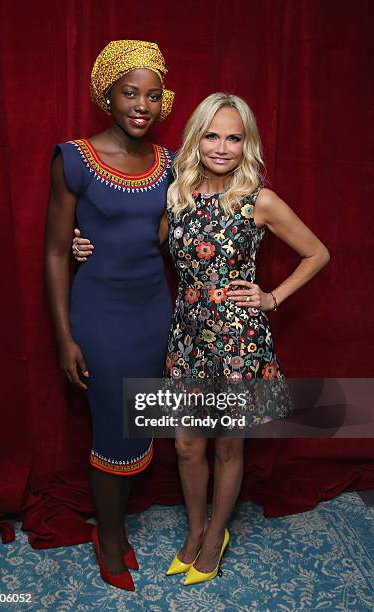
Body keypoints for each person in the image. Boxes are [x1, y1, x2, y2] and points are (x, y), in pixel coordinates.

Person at [72, 92, 330, 585]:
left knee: (228, 448)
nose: (222, 147)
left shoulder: (260, 200)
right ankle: (194, 530)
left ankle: (215, 537)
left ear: (247, 144)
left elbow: (317, 253)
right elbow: (128, 235)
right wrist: (75, 240)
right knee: (189, 446)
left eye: (235, 137)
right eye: (212, 135)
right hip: (187, 335)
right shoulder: (176, 194)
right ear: (196, 138)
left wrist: (272, 297)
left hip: (238, 342)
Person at [44, 39, 175, 592]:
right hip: (99, 315)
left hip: (154, 313)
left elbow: (174, 240)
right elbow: (54, 251)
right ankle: (112, 540)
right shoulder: (74, 157)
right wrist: (63, 338)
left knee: (139, 422)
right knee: (113, 428)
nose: (141, 104)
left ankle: (115, 530)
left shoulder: (169, 164)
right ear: (107, 95)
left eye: (151, 94)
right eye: (129, 92)